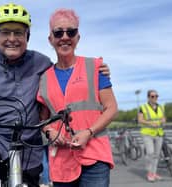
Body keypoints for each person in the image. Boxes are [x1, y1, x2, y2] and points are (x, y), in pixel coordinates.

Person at [0, 3, 110, 187]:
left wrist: (98, 70)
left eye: (18, 33)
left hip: (28, 141)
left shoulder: (41, 63)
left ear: (27, 37)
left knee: (32, 180)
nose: (12, 39)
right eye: (5, 32)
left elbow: (64, 75)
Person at [37, 8, 118, 187]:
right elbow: (43, 118)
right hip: (61, 161)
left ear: (78, 37)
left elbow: (111, 108)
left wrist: (89, 132)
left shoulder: (94, 67)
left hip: (95, 155)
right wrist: (49, 131)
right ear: (51, 39)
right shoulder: (44, 78)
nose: (64, 37)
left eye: (71, 32)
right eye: (58, 32)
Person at [137, 89, 166, 182]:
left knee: (156, 155)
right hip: (147, 133)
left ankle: (154, 172)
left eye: (156, 96)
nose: (155, 98)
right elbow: (140, 120)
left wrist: (163, 121)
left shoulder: (161, 107)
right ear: (148, 97)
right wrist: (151, 123)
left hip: (158, 133)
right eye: (152, 96)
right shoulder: (143, 107)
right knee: (150, 153)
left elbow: (163, 118)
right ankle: (150, 172)